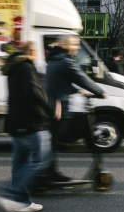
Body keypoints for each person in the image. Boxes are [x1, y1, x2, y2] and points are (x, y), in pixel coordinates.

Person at [0, 42, 54, 212]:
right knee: (39, 161)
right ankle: (9, 193)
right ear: (31, 51)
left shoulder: (13, 67)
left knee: (19, 163)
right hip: (30, 122)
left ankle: (21, 201)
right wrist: (50, 109)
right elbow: (33, 92)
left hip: (15, 122)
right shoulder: (26, 67)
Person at [45, 35, 106, 182]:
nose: (78, 48)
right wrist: (101, 92)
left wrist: (77, 91)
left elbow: (61, 81)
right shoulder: (65, 62)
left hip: (53, 106)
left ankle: (50, 172)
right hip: (60, 109)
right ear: (65, 45)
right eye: (75, 45)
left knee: (53, 142)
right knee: (55, 142)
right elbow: (82, 78)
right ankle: (49, 174)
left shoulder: (54, 59)